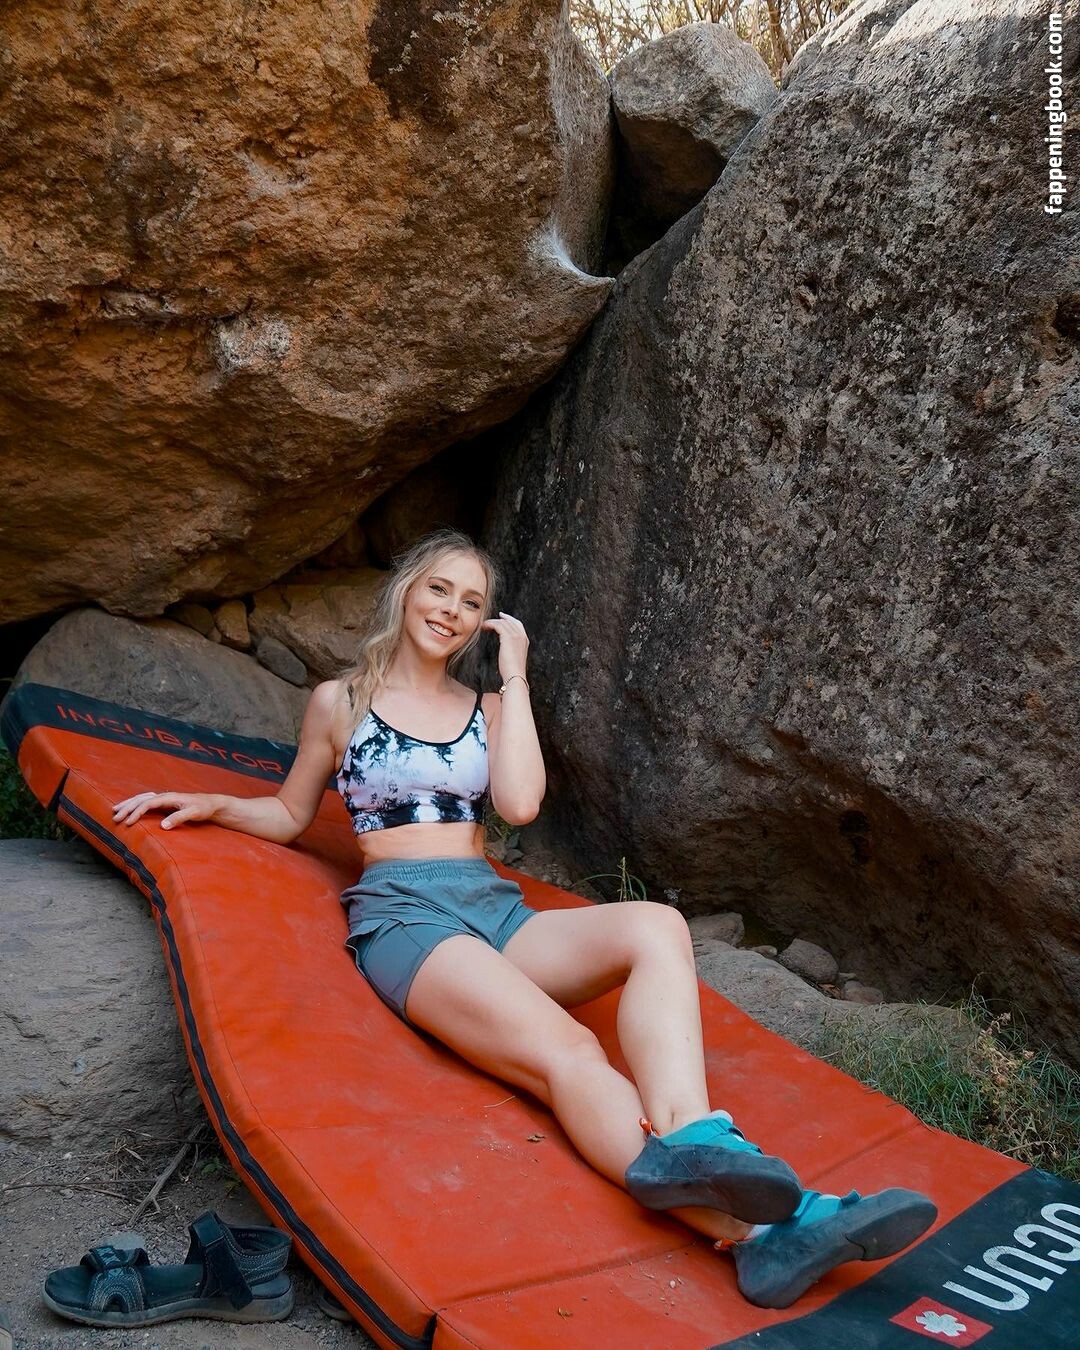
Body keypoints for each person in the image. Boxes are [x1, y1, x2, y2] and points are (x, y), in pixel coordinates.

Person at [112, 528, 936, 1309]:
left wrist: (517, 680)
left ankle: (696, 1136)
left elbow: (519, 803)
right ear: (406, 593)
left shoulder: (491, 706)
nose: (451, 610)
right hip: (406, 920)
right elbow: (293, 813)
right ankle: (761, 1233)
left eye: (471, 602)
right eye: (440, 590)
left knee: (658, 926)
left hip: (492, 907)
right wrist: (214, 803)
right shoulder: (341, 701)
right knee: (570, 1052)